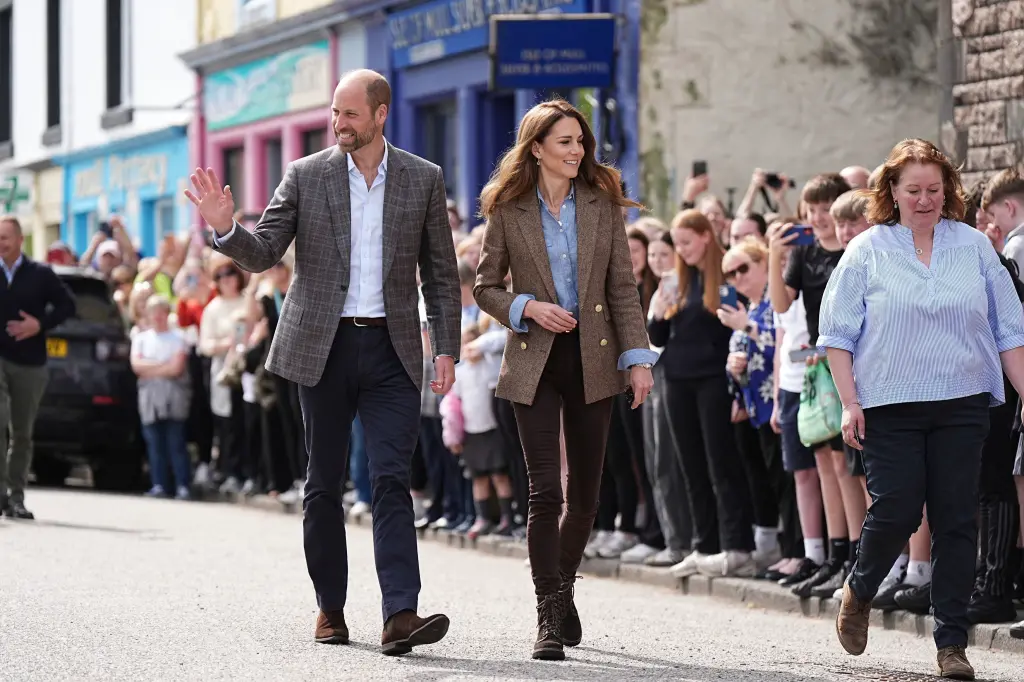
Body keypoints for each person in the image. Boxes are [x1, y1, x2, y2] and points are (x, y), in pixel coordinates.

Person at [184, 69, 461, 656]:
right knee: (324, 484)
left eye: (350, 113)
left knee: (391, 479)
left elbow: (440, 273)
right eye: (335, 113)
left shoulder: (422, 179)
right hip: (323, 346)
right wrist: (224, 228)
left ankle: (400, 614)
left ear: (381, 114)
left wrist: (446, 347)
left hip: (393, 349)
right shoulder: (306, 175)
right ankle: (330, 609)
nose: (339, 123)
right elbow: (263, 253)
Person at [820, 138, 1024, 680]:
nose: (925, 199)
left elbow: (1009, 328)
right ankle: (860, 588)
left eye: (935, 189)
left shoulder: (975, 246)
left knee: (958, 521)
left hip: (963, 399)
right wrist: (849, 402)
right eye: (914, 190)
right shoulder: (868, 250)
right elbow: (837, 334)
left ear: (948, 191)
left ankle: (951, 645)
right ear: (892, 191)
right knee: (898, 510)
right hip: (889, 403)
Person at [474, 99, 656, 661]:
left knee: (586, 496)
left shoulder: (602, 204)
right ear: (537, 149)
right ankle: (547, 611)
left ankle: (564, 583)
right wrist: (527, 307)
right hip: (534, 359)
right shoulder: (509, 207)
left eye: (581, 141)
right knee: (544, 491)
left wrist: (638, 357)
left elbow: (623, 288)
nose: (578, 151)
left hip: (594, 357)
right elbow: (485, 287)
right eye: (565, 142)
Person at [0, 216, 75, 519]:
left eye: (5, 238)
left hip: (29, 363)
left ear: (20, 240)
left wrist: (39, 325)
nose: (1, 243)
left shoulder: (40, 274)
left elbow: (67, 306)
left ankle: (15, 497)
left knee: (22, 433)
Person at [130, 294, 192, 500]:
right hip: (149, 398)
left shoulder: (178, 338)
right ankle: (159, 484)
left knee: (176, 442)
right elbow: (136, 366)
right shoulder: (140, 338)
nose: (157, 317)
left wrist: (151, 366)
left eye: (161, 313)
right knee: (154, 444)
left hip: (173, 396)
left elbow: (177, 368)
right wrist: (163, 365)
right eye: (153, 313)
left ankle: (182, 485)